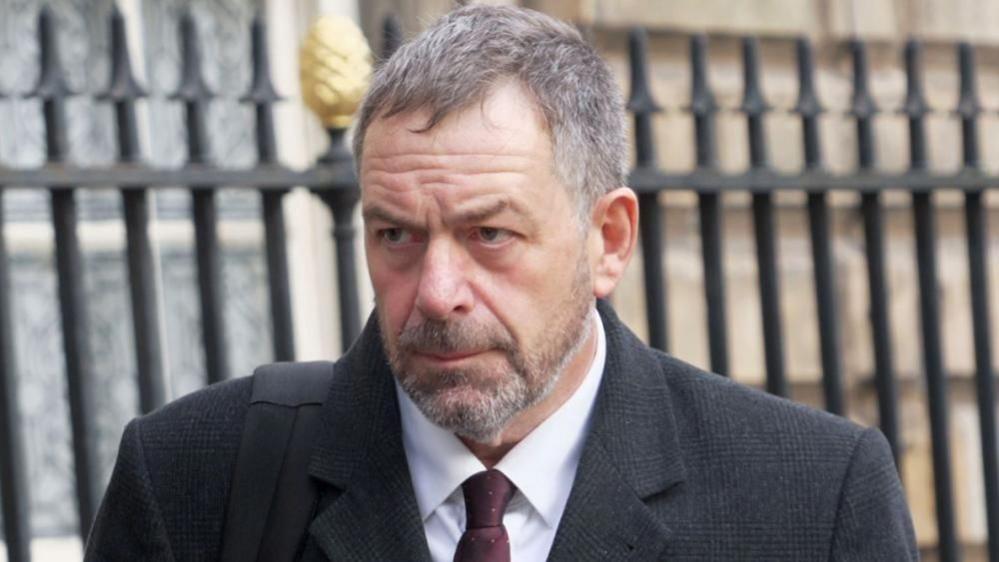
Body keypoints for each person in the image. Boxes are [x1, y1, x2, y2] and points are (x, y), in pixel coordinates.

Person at [85, 5, 917, 561]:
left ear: (608, 240)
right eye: (396, 235)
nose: (437, 291)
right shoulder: (187, 481)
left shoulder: (812, 498)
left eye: (490, 234)